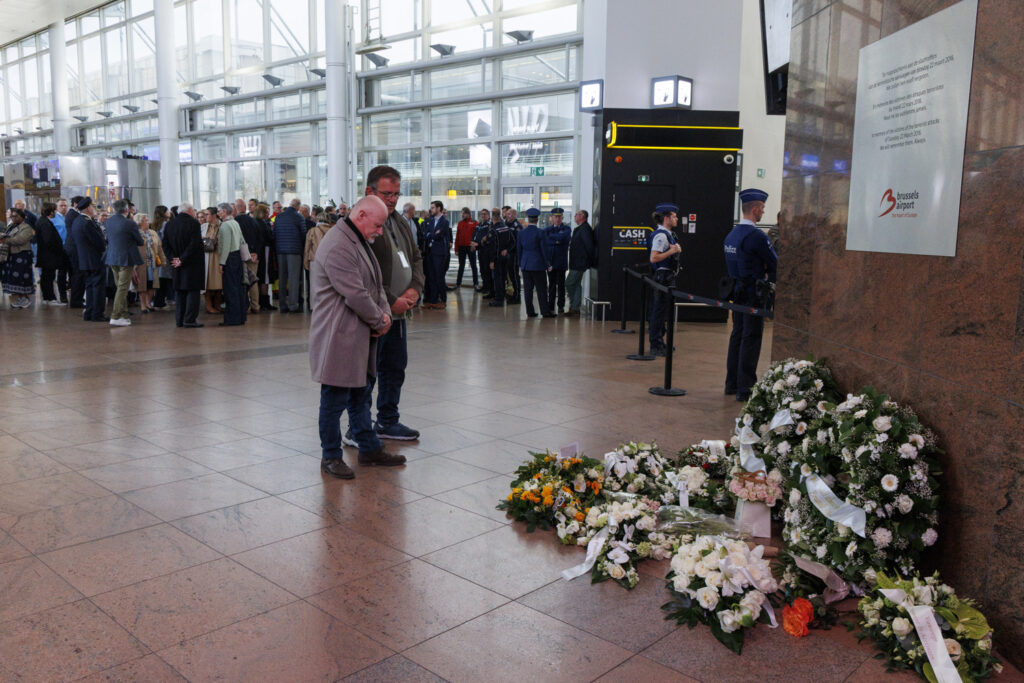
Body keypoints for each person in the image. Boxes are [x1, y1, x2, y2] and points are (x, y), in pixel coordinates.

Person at [310, 195, 407, 479]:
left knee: (360, 395)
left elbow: (375, 284)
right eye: (377, 225)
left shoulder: (357, 237)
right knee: (334, 399)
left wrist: (385, 313)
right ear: (361, 214)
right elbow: (354, 293)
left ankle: (368, 448)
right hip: (338, 337)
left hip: (360, 334)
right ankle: (330, 457)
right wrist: (380, 319)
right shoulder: (338, 244)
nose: (380, 231)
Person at [343, 164, 424, 446]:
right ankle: (358, 427)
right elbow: (360, 275)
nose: (392, 200)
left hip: (400, 315)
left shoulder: (399, 220)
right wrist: (392, 301)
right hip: (375, 315)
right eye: (387, 194)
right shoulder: (361, 221)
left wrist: (415, 289)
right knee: (367, 373)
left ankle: (387, 420)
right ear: (370, 191)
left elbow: (415, 258)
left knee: (394, 368)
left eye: (396, 194)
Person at [724, 188, 778, 402]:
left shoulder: (732, 234)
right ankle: (746, 387)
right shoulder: (756, 236)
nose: (763, 212)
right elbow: (774, 262)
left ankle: (732, 383)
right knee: (751, 338)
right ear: (755, 209)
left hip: (736, 293)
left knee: (737, 335)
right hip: (753, 295)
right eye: (762, 208)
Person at [648, 202, 682, 356]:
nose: (677, 219)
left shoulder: (666, 234)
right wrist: (672, 251)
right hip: (663, 277)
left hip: (666, 276)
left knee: (662, 311)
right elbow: (654, 258)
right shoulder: (661, 236)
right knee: (658, 311)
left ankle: (660, 341)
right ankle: (655, 344)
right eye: (674, 216)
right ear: (667, 218)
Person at [163, 203, 205, 328]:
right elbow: (194, 244)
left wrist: (173, 259)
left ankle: (179, 320)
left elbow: (165, 244)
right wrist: (182, 259)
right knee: (193, 291)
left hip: (176, 264)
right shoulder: (194, 223)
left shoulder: (170, 224)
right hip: (192, 263)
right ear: (190, 211)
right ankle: (190, 319)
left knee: (179, 291)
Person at [104, 199, 144, 327]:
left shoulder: (108, 221)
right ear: (126, 210)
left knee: (119, 287)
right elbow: (140, 241)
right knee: (123, 288)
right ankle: (115, 316)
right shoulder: (129, 223)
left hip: (112, 258)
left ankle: (124, 313)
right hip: (125, 259)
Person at [71, 198, 108, 322]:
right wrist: (104, 249)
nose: (94, 210)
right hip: (95, 259)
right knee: (98, 287)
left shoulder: (77, 221)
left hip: (84, 259)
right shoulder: (88, 222)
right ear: (88, 209)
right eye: (92, 207)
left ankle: (89, 312)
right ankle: (97, 313)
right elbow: (98, 241)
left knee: (90, 287)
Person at [518, 208, 555, 318]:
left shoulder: (521, 233)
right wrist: (548, 264)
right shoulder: (541, 232)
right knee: (541, 290)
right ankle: (545, 312)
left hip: (525, 264)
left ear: (528, 219)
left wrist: (520, 263)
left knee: (527, 290)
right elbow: (544, 250)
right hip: (538, 265)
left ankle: (530, 312)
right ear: (537, 220)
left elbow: (519, 249)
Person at [216, 202, 247, 326]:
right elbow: (241, 240)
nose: (218, 213)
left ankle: (232, 318)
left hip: (229, 258)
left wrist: (221, 263)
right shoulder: (235, 223)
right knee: (238, 288)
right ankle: (240, 316)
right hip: (237, 256)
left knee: (230, 289)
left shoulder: (225, 225)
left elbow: (226, 246)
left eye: (219, 211)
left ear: (224, 211)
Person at [274, 198, 307, 313]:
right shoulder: (299, 217)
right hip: (294, 250)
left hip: (280, 250)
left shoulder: (279, 217)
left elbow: (275, 233)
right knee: (293, 279)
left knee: (282, 278)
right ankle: (293, 305)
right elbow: (304, 234)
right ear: (298, 207)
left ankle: (282, 304)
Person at [234, 198, 265, 315]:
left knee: (243, 281)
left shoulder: (235, 222)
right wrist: (255, 252)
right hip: (254, 256)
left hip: (241, 255)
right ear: (245, 208)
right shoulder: (254, 221)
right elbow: (260, 239)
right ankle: (255, 306)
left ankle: (245, 307)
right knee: (253, 281)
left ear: (237, 208)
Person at [35, 202, 69, 306]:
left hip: (46, 255)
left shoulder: (43, 221)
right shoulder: (45, 223)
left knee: (46, 277)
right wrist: (57, 249)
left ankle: (47, 297)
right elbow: (48, 240)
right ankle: (50, 298)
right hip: (49, 256)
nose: (55, 212)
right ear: (50, 211)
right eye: (54, 210)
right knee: (48, 277)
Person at [1, 208, 36, 309]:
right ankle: (19, 298)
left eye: (16, 216)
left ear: (22, 217)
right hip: (12, 255)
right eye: (12, 216)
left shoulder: (26, 227)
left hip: (22, 255)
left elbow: (20, 239)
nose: (13, 218)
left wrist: (6, 240)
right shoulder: (11, 226)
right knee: (13, 278)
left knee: (21, 277)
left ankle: (24, 298)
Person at [565, 209, 596, 317]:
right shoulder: (579, 229)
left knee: (569, 283)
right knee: (576, 284)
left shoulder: (585, 229)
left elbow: (589, 246)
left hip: (580, 263)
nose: (575, 216)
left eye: (576, 214)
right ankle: (575, 308)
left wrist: (588, 261)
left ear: (582, 216)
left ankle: (574, 306)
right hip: (576, 262)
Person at [422, 200, 451, 309]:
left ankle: (443, 300)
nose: (431, 210)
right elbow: (426, 234)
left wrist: (431, 234)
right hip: (430, 252)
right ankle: (433, 300)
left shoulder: (445, 222)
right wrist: (432, 234)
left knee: (439, 276)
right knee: (431, 276)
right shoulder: (430, 221)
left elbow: (438, 235)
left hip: (439, 253)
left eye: (433, 207)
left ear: (439, 208)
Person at [134, 213, 164, 313]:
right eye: (146, 220)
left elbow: (159, 247)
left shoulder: (153, 233)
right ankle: (143, 304)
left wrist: (163, 260)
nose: (148, 222)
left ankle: (149, 302)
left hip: (152, 263)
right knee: (142, 284)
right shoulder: (135, 233)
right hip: (140, 263)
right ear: (140, 222)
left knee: (152, 284)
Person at [488, 207, 517, 308]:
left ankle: (498, 299)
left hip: (497, 258)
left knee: (497, 279)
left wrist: (492, 261)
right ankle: (502, 296)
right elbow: (513, 242)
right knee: (503, 278)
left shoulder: (494, 231)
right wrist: (507, 250)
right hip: (506, 257)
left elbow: (493, 248)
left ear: (493, 218)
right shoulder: (506, 228)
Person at [544, 207, 571, 315]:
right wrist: (557, 240)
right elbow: (546, 240)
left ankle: (560, 306)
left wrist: (552, 239)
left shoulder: (567, 229)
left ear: (562, 217)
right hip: (550, 261)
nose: (558, 219)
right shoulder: (547, 229)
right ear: (552, 218)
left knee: (561, 285)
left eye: (559, 217)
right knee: (551, 285)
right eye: (555, 217)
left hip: (561, 261)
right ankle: (550, 306)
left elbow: (564, 237)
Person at [251, 202, 277, 311]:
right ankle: (265, 302)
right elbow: (270, 238)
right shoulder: (264, 224)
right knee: (265, 278)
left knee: (259, 276)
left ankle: (259, 302)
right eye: (267, 211)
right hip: (265, 252)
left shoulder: (254, 222)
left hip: (258, 253)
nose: (269, 213)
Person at [64, 195, 86, 309]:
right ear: (76, 204)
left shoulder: (73, 214)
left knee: (76, 275)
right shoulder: (74, 215)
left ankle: (77, 298)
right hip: (75, 249)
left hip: (73, 248)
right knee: (78, 274)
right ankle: (76, 300)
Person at [151, 206, 175, 309]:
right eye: (167, 210)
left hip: (156, 254)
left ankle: (159, 301)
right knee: (167, 279)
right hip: (165, 254)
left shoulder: (154, 225)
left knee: (160, 279)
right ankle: (165, 300)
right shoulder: (166, 225)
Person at [452, 207, 478, 291]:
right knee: (461, 266)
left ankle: (476, 284)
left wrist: (474, 245)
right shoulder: (460, 223)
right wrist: (456, 249)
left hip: (470, 247)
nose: (462, 215)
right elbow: (457, 237)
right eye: (462, 213)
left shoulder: (474, 223)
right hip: (461, 247)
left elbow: (477, 236)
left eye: (463, 213)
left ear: (468, 214)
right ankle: (458, 284)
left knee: (473, 265)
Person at [203, 208, 223, 315]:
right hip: (208, 257)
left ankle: (217, 304)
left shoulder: (222, 226)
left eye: (207, 214)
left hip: (218, 256)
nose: (205, 217)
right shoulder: (203, 227)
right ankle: (208, 305)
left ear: (214, 215)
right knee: (208, 282)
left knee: (220, 282)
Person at [471, 208, 494, 296]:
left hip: (486, 250)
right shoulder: (479, 225)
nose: (483, 216)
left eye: (485, 214)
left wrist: (478, 244)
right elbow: (475, 235)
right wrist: (472, 242)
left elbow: (487, 238)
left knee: (487, 269)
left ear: (488, 216)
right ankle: (485, 286)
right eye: (482, 214)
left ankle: (489, 288)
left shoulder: (489, 225)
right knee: (482, 269)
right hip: (479, 250)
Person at [504, 207, 523, 304]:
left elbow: (516, 242)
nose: (508, 215)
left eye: (510, 214)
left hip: (513, 254)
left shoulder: (517, 226)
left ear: (515, 215)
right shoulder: (505, 224)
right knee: (508, 276)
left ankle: (517, 296)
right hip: (505, 254)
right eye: (507, 214)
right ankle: (510, 294)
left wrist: (508, 250)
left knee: (514, 276)